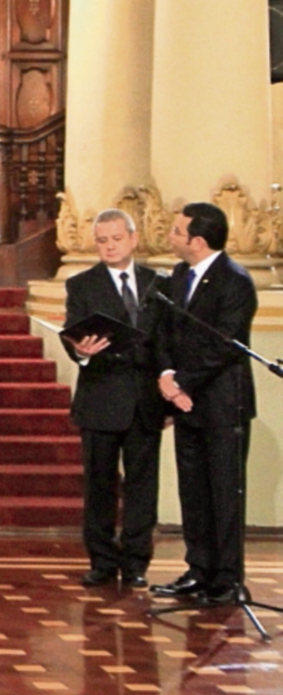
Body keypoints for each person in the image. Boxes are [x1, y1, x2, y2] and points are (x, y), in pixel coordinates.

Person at [151, 202, 258, 605]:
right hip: (185, 404)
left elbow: (224, 347)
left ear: (197, 241)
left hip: (222, 405)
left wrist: (181, 382)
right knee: (193, 492)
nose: (171, 237)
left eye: (177, 231)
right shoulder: (179, 275)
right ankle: (198, 571)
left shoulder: (235, 281)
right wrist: (166, 376)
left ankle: (227, 579)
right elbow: (165, 331)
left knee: (223, 496)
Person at [61, 209, 167, 589]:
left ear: (134, 239)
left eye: (116, 239)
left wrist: (167, 396)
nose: (109, 246)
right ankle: (103, 560)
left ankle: (137, 561)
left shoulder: (159, 284)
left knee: (143, 485)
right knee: (100, 484)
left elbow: (166, 345)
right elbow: (72, 336)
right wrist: (84, 351)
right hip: (101, 398)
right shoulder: (82, 285)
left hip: (145, 401)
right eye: (102, 240)